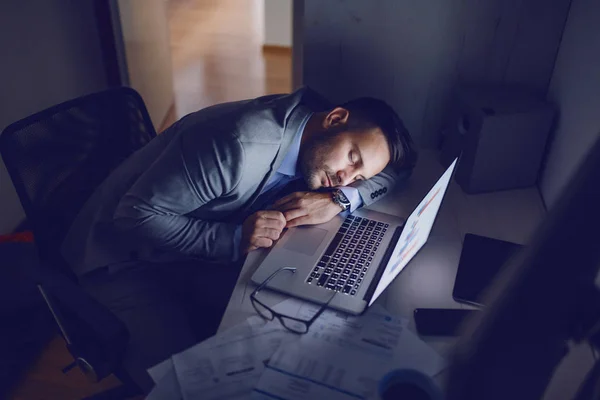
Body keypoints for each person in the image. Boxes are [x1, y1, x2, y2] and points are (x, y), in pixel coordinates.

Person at [61, 87, 417, 391]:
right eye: (352, 158)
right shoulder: (238, 146)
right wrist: (233, 240)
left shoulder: (314, 127)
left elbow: (401, 171)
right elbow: (134, 216)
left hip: (185, 248)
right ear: (336, 119)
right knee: (191, 386)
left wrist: (340, 200)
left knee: (298, 325)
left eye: (359, 176)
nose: (344, 177)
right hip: (120, 258)